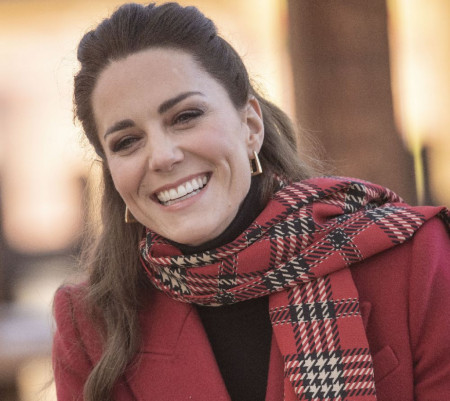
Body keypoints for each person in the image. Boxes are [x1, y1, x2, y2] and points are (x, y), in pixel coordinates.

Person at [52, 2, 450, 401]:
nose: (162, 157)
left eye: (185, 116)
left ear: (251, 126)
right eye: (127, 142)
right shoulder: (90, 328)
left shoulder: (415, 260)